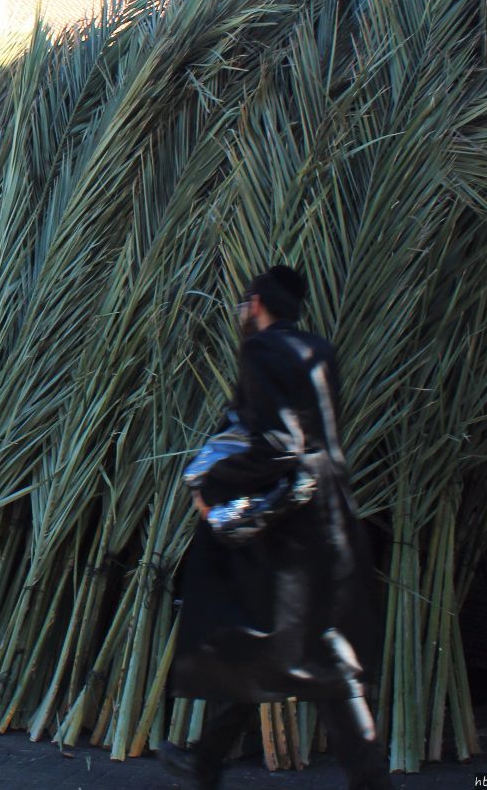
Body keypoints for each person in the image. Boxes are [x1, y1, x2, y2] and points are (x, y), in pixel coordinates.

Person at [163, 266, 391, 789]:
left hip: (289, 527)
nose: (242, 313)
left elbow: (278, 442)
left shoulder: (262, 351)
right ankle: (206, 760)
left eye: (245, 304)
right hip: (331, 511)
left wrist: (211, 484)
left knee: (299, 649)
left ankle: (370, 781)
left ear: (257, 303)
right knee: (287, 647)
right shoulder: (320, 349)